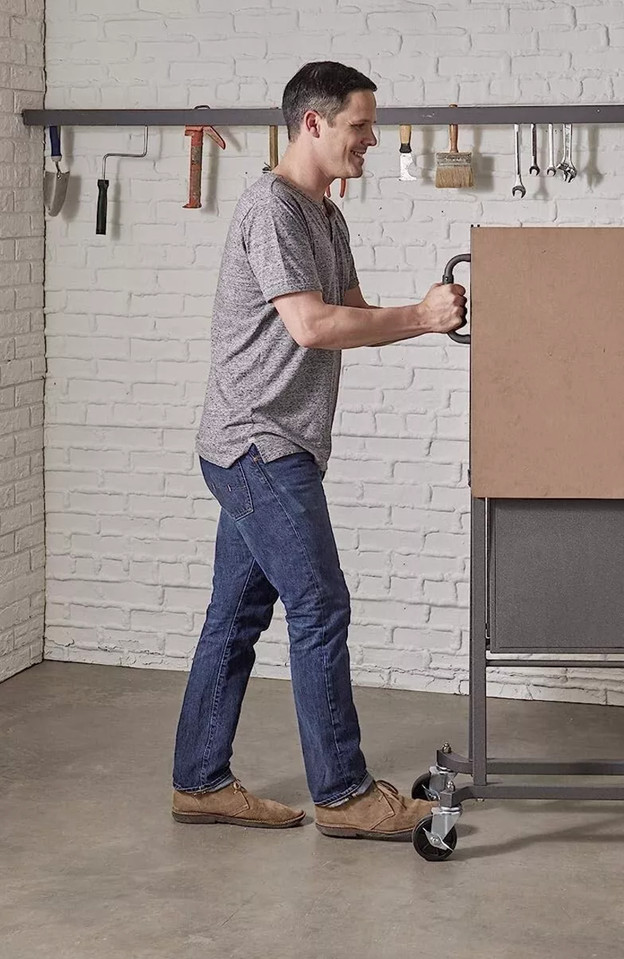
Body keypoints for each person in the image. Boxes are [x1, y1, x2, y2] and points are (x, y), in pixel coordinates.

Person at [170, 61, 467, 840]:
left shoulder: (326, 215)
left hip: (267, 442)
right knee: (320, 602)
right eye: (360, 125)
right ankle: (344, 794)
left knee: (235, 616)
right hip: (257, 445)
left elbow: (353, 312)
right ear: (314, 123)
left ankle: (198, 781)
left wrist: (434, 315)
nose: (371, 139)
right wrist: (421, 316)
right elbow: (311, 325)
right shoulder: (271, 209)